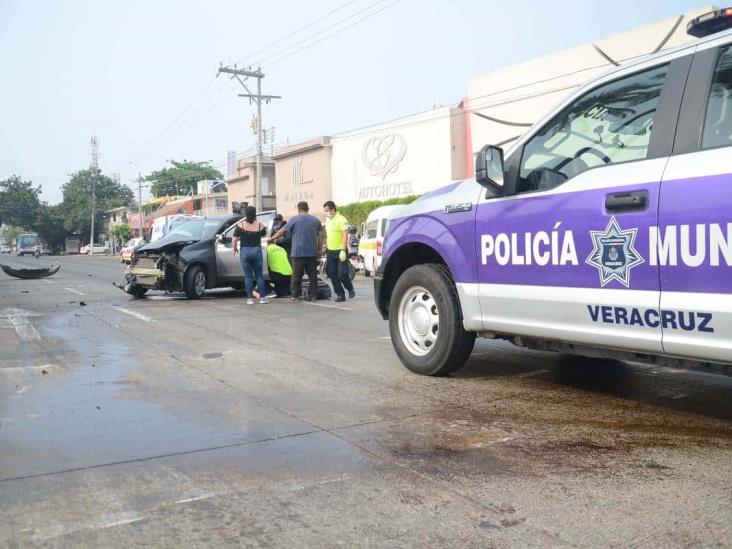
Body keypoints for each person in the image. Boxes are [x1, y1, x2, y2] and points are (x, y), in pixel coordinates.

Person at [269, 201, 322, 302]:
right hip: (312, 252)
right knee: (312, 275)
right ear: (308, 208)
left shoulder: (294, 219)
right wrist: (319, 250)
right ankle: (313, 295)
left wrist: (272, 238)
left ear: (298, 209)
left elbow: (283, 231)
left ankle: (295, 295)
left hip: (298, 252)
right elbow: (321, 236)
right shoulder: (316, 220)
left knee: (297, 274)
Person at [232, 206, 268, 305]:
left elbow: (234, 239)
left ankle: (249, 299)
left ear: (245, 214)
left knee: (248, 276)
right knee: (259, 275)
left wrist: (234, 249)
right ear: (255, 214)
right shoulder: (260, 225)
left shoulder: (240, 225)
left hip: (245, 251)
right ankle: (262, 298)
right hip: (257, 250)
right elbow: (264, 234)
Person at [322, 200, 355, 302]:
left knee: (342, 274)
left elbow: (345, 234)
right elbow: (328, 235)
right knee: (332, 273)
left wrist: (343, 250)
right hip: (330, 250)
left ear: (333, 209)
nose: (326, 213)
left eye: (327, 211)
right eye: (325, 211)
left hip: (340, 250)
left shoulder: (341, 219)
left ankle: (349, 288)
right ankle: (340, 295)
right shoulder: (328, 219)